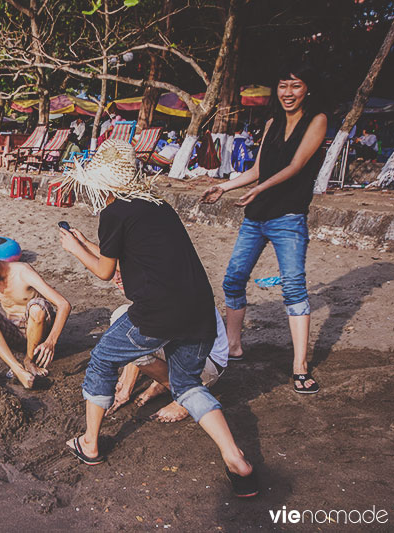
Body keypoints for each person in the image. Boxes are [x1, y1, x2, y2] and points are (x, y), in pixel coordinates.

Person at [59, 139, 257, 497]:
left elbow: (105, 273)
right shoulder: (159, 206)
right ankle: (235, 457)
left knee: (102, 359)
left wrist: (75, 249)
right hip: (199, 309)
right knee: (187, 385)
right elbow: (128, 260)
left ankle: (89, 444)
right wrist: (87, 242)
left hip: (159, 312)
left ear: (102, 183)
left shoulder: (114, 212)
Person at [201, 63, 327, 394]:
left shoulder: (317, 120)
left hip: (288, 218)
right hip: (256, 218)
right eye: (283, 85)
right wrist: (225, 188)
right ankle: (233, 345)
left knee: (294, 289)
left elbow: (296, 166)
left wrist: (260, 189)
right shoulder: (271, 122)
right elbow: (257, 168)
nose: (288, 92)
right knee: (233, 279)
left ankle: (300, 366)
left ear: (307, 89)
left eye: (295, 85)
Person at [0, 242, 71, 389]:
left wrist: (51, 342)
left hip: (39, 335)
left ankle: (29, 360)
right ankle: (17, 368)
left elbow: (63, 304)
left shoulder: (22, 272)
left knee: (37, 307)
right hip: (14, 333)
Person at [106, 306, 228, 422]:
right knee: (123, 316)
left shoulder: (171, 290)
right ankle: (161, 383)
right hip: (183, 348)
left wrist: (125, 390)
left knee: (134, 334)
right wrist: (125, 385)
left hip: (206, 363)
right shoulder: (151, 287)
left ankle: (185, 397)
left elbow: (138, 338)